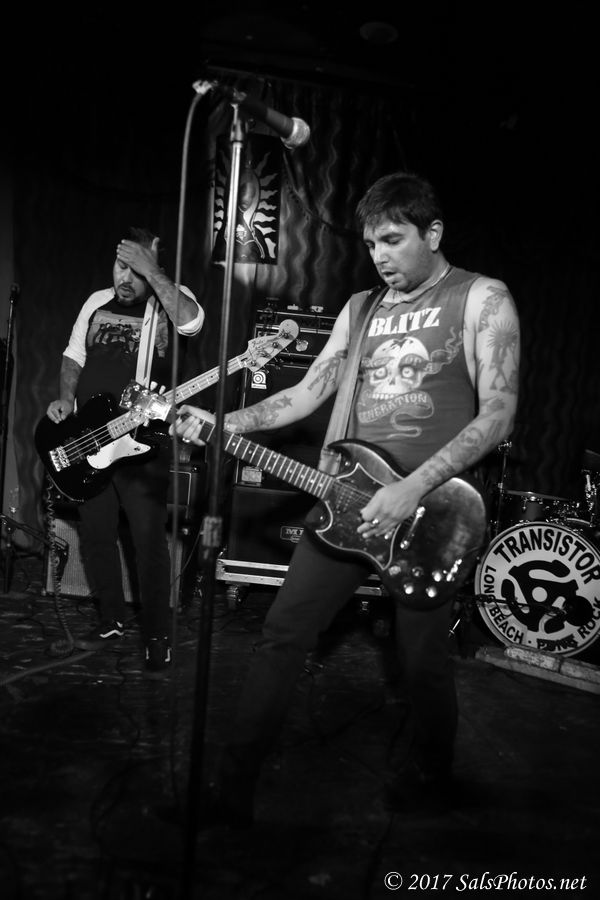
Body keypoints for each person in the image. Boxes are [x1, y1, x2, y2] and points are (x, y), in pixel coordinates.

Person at [173, 171, 520, 820]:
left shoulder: (481, 297)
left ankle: (433, 778)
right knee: (281, 635)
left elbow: (498, 413)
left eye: (393, 240)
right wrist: (225, 423)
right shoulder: (361, 309)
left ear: (433, 233)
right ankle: (230, 791)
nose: (380, 256)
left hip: (430, 512)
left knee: (421, 660)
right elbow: (306, 394)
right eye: (370, 244)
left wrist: (411, 488)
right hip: (345, 500)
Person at [46, 227, 204, 673]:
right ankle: (111, 619)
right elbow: (73, 356)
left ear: (153, 265)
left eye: (136, 269)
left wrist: (152, 273)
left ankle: (157, 635)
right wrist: (66, 400)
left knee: (148, 543)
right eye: (121, 267)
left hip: (142, 444)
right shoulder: (96, 303)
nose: (125, 278)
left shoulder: (171, 299)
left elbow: (192, 323)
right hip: (90, 440)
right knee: (96, 535)